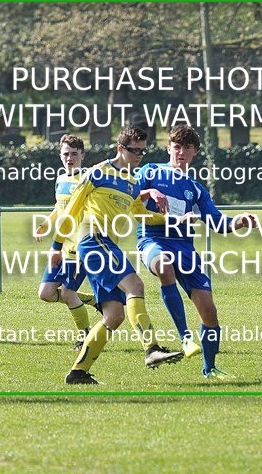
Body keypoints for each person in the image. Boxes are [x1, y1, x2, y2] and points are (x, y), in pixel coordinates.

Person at [49, 126, 188, 384]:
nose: (139, 155)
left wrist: (172, 220)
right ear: (120, 148)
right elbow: (72, 212)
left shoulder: (132, 183)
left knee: (114, 315)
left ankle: (78, 373)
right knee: (135, 285)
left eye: (143, 151)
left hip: (107, 245)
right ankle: (152, 348)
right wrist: (56, 247)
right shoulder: (97, 173)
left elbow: (140, 214)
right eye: (135, 150)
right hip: (93, 240)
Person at [135, 125, 258, 378]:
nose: (180, 152)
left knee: (209, 312)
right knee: (164, 265)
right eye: (176, 147)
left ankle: (209, 368)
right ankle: (185, 337)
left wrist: (240, 221)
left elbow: (218, 222)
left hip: (185, 248)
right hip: (153, 239)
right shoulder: (150, 171)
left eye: (187, 148)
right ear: (168, 148)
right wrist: (150, 193)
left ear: (195, 152)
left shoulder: (197, 189)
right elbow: (130, 200)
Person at [34, 134, 94, 351]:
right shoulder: (60, 179)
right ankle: (93, 300)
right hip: (59, 247)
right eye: (66, 154)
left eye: (74, 154)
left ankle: (85, 338)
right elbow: (59, 208)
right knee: (46, 294)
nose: (70, 158)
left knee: (68, 294)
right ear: (60, 156)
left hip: (79, 248)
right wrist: (45, 224)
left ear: (82, 156)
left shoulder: (88, 179)